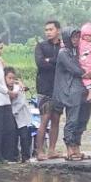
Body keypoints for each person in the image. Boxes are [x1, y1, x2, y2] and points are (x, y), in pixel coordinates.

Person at [55, 28, 91, 161]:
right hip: (71, 90)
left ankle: (77, 147)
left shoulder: (78, 50)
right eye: (74, 37)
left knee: (83, 120)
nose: (76, 40)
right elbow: (73, 68)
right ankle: (69, 149)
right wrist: (85, 73)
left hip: (82, 90)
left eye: (78, 37)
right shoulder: (63, 52)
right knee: (72, 119)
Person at [34, 20, 63, 160]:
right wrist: (54, 61)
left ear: (58, 30)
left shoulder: (63, 46)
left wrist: (49, 60)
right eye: (46, 30)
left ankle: (51, 150)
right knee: (44, 120)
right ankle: (40, 151)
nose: (48, 32)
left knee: (56, 120)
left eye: (51, 29)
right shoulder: (41, 46)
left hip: (58, 88)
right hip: (44, 89)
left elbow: (63, 63)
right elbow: (40, 63)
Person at [6, 67, 33, 163]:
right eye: (9, 78)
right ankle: (14, 156)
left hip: (21, 116)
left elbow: (21, 103)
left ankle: (26, 157)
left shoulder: (19, 89)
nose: (11, 80)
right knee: (12, 137)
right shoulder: (3, 90)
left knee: (24, 136)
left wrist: (11, 112)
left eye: (13, 78)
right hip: (11, 117)